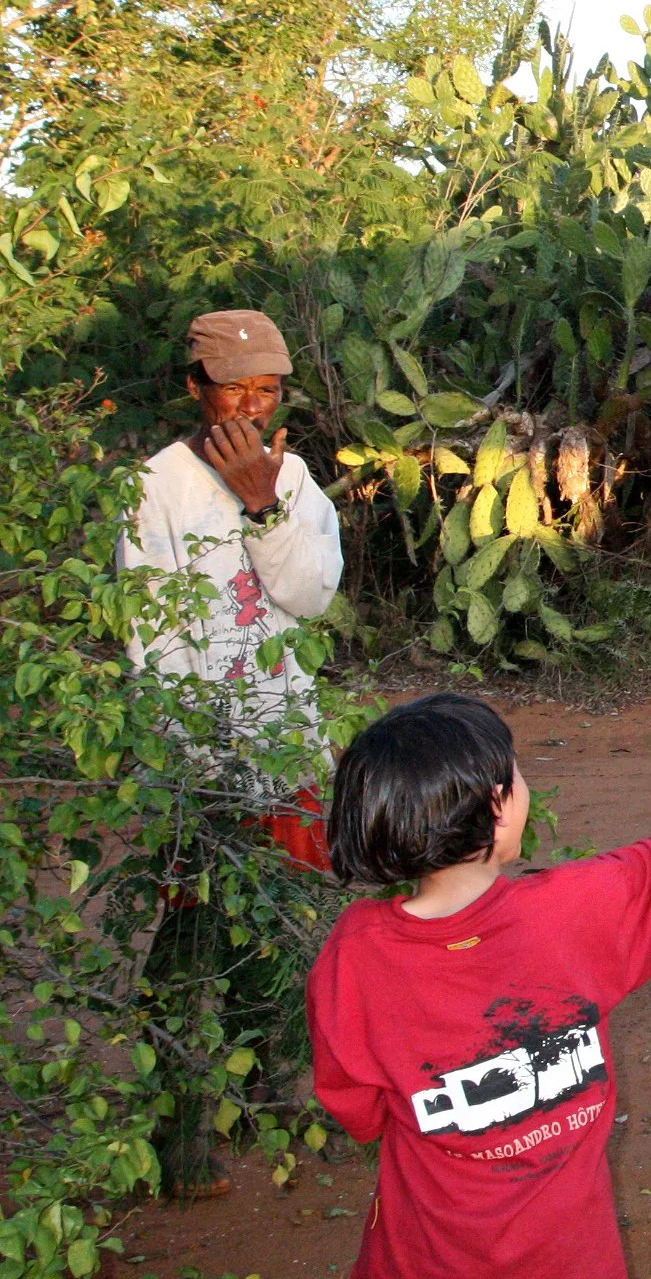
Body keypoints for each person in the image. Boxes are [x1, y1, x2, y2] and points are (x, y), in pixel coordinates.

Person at [307, 693, 651, 1278]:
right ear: (498, 805)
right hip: (568, 1257)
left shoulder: (355, 955)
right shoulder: (572, 908)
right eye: (516, 773)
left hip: (423, 1258)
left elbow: (358, 1109)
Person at [117, 308, 345, 1197]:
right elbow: (152, 642)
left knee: (282, 928)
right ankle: (180, 1140)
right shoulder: (155, 489)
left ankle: (267, 1104)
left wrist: (263, 501)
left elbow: (309, 596)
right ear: (192, 389)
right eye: (234, 389)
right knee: (192, 936)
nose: (251, 408)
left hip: (284, 742)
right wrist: (195, 767)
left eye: (269, 391)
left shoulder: (293, 480)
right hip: (198, 762)